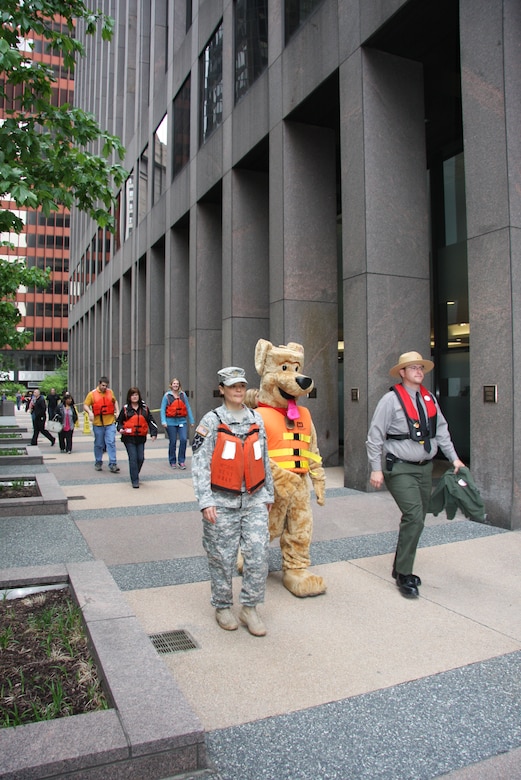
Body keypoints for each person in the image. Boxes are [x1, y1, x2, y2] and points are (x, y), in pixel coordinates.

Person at [366, 351, 465, 598]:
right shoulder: (390, 400)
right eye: (413, 368)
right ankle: (404, 574)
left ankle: (400, 567)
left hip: (425, 467)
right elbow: (374, 437)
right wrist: (376, 469)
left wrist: (454, 458)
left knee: (417, 519)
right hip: (399, 467)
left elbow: (441, 431)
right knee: (413, 514)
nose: (419, 371)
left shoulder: (429, 398)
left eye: (421, 367)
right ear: (402, 373)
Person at [191, 366, 274, 636]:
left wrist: (268, 494)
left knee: (259, 553)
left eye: (242, 386)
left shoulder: (256, 419)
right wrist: (206, 501)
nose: (238, 390)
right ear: (222, 389)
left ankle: (250, 606)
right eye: (233, 386)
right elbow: (200, 463)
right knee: (221, 557)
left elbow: (263, 459)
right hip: (221, 500)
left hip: (254, 498)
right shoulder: (211, 422)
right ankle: (223, 605)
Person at [116, 387, 158, 488]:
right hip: (128, 438)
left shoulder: (144, 409)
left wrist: (153, 433)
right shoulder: (126, 409)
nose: (135, 397)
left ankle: (135, 473)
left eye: (136, 395)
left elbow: (151, 421)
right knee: (133, 458)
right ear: (129, 397)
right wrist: (120, 429)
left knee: (141, 458)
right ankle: (135, 480)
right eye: (132, 395)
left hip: (140, 438)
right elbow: (118, 422)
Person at [84, 376, 121, 472]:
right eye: (103, 385)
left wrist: (117, 411)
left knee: (111, 442)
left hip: (110, 422)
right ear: (99, 384)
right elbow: (85, 405)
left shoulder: (110, 392)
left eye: (106, 386)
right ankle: (98, 461)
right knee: (99, 444)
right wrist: (90, 413)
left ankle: (113, 463)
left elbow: (114, 401)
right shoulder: (92, 394)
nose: (105, 387)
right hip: (98, 424)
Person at [160, 378, 194, 469]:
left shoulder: (183, 395)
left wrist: (191, 420)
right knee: (173, 441)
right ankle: (172, 461)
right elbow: (163, 409)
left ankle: (181, 461)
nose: (176, 385)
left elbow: (188, 407)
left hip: (182, 421)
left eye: (177, 384)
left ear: (179, 385)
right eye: (174, 383)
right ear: (171, 385)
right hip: (170, 422)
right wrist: (163, 421)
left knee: (183, 440)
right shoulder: (167, 396)